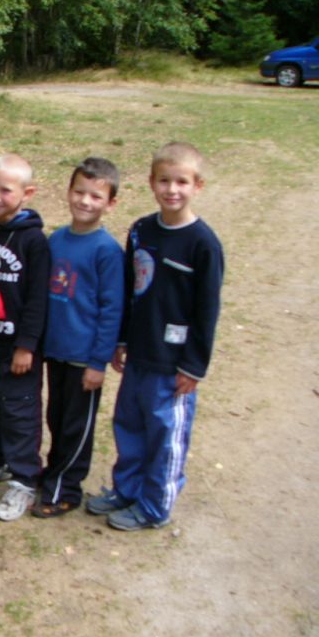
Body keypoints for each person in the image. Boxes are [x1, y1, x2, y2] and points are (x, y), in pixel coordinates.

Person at [87, 142, 224, 531]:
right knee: (129, 425)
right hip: (139, 354)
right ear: (151, 182)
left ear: (198, 186)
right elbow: (131, 289)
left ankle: (154, 506)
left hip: (174, 362)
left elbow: (207, 310)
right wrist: (122, 339)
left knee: (166, 434)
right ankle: (127, 490)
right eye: (164, 181)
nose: (172, 190)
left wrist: (193, 366)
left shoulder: (203, 243)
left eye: (182, 182)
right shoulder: (141, 230)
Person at [33, 158, 124, 518]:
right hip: (56, 351)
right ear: (69, 192)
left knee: (76, 426)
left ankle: (65, 489)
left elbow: (112, 310)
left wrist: (97, 362)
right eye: (79, 192)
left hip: (84, 358)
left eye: (96, 196)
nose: (85, 201)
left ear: (110, 204)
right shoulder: (57, 239)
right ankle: (54, 473)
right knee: (56, 418)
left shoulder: (107, 251)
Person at [0, 154, 49, 521]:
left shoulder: (34, 241)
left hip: (18, 346)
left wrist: (27, 346)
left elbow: (37, 300)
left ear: (27, 193)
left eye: (5, 190)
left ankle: (24, 479)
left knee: (19, 410)